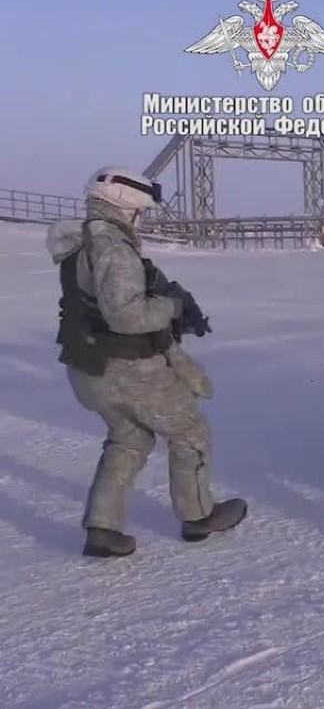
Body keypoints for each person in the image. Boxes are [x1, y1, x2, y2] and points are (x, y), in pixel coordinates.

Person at [46, 167, 247, 558]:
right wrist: (172, 307)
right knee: (190, 432)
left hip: (88, 368)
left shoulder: (80, 242)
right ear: (127, 206)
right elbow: (125, 316)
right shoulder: (114, 248)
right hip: (128, 369)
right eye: (142, 211)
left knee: (130, 437)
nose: (143, 218)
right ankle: (198, 516)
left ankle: (102, 528)